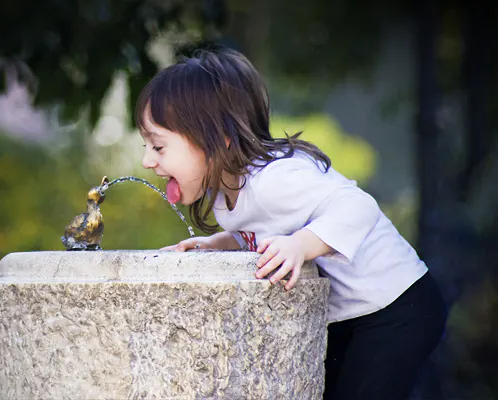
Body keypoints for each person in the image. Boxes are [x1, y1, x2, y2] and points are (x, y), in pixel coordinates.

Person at [138, 47, 447, 399]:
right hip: (356, 314)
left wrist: (300, 246)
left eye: (158, 147)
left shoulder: (275, 179)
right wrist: (223, 242)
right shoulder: (225, 194)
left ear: (217, 138)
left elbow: (359, 207)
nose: (147, 160)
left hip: (398, 304)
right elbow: (268, 227)